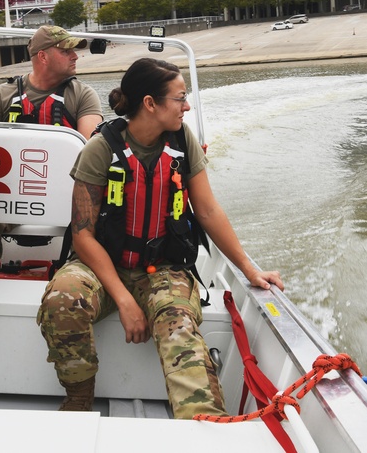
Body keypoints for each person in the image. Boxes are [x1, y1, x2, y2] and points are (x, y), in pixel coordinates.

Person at [37, 57, 284, 418]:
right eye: (180, 98)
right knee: (62, 300)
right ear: (150, 104)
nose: (187, 106)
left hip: (164, 268)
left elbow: (208, 211)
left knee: (179, 326)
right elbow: (83, 236)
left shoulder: (183, 142)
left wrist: (248, 268)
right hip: (102, 267)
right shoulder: (101, 150)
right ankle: (78, 395)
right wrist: (124, 300)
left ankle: (204, 425)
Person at [0, 25, 102, 277]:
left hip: (67, 197)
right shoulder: (2, 96)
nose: (76, 56)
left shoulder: (83, 95)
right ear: (43, 56)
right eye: (67, 51)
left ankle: (80, 276)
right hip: (11, 200)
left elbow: (91, 150)